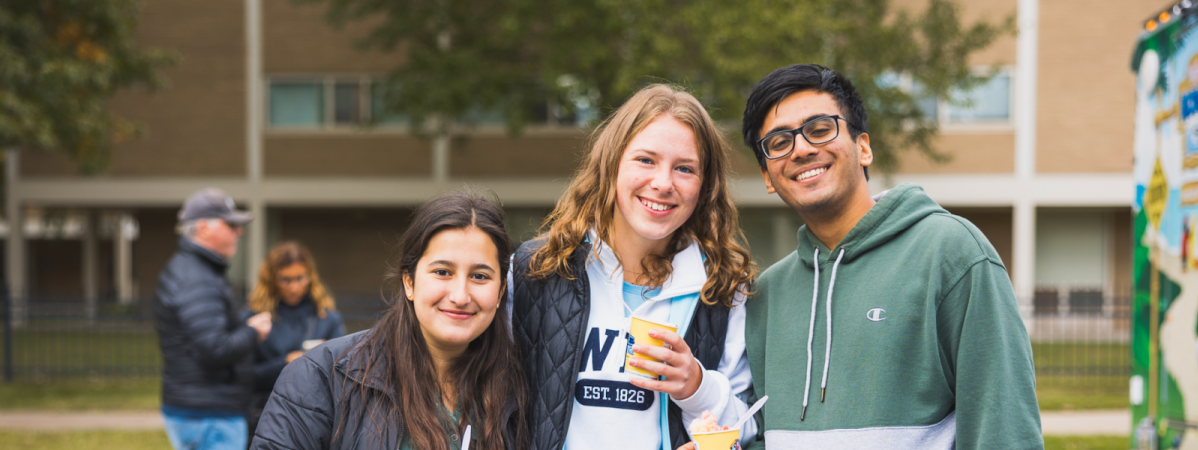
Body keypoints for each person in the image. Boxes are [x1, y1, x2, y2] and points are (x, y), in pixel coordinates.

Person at [739, 63, 1042, 449]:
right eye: (779, 143)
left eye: (819, 129)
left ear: (863, 147)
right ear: (768, 176)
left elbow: (1004, 429)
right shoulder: (766, 294)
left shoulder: (951, 253)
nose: (801, 149)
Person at [509, 84, 759, 450]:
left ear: (705, 186)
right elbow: (486, 400)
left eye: (685, 168)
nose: (662, 183)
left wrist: (696, 387)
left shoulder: (723, 290)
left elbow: (745, 429)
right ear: (611, 164)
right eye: (645, 160)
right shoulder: (535, 271)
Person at [251, 191, 529, 450]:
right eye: (443, 272)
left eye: (479, 276)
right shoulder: (320, 378)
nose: (460, 295)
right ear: (409, 281)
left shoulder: (525, 387)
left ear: (501, 291)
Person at [153, 188, 273, 450]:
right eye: (231, 225)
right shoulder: (197, 278)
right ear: (204, 228)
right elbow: (214, 348)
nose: (238, 232)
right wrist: (253, 331)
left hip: (199, 408)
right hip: (209, 414)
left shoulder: (193, 270)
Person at [240, 241, 346, 439]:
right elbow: (243, 375)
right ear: (271, 279)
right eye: (285, 280)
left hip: (315, 417)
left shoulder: (326, 317)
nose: (294, 287)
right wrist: (285, 363)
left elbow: (345, 370)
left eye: (300, 278)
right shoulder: (256, 318)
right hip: (265, 416)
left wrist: (324, 358)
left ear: (310, 276)